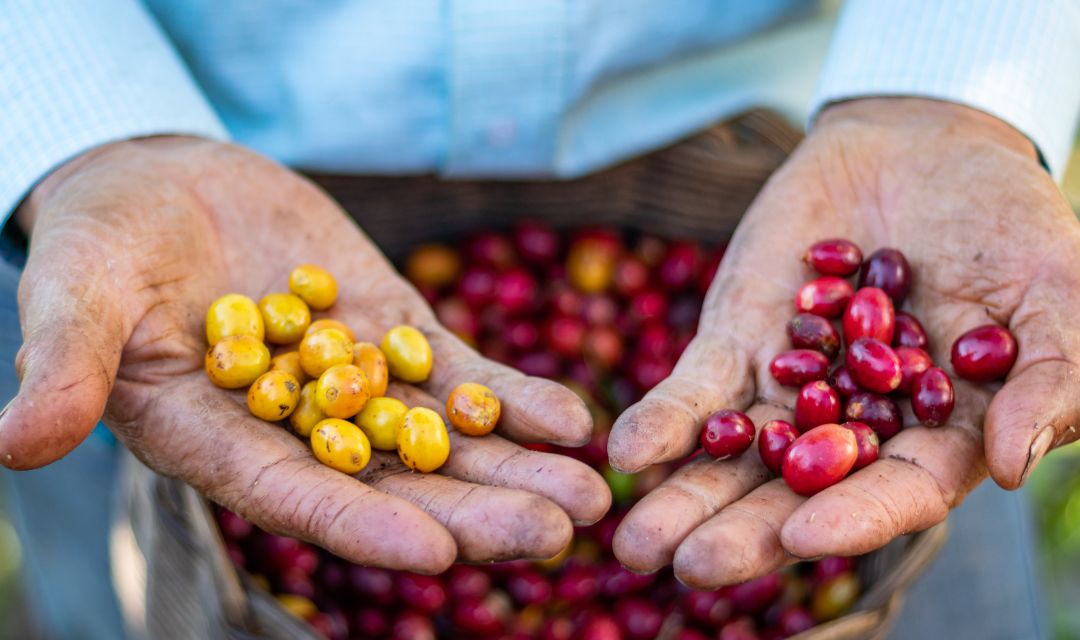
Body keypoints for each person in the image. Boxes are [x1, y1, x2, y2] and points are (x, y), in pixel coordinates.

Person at [1, 0, 1078, 637]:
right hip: (159, 213)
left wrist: (952, 88)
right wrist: (81, 131)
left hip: (794, 154)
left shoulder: (874, 319)